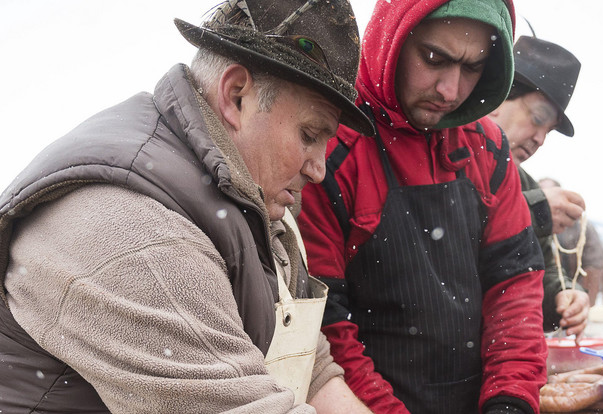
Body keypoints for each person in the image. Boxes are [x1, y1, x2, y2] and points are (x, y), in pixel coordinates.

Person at [0, 1, 377, 412]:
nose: (320, 168)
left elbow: (310, 368)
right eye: (309, 134)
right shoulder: (136, 236)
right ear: (235, 96)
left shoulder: (260, 206)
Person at [297, 0, 547, 413]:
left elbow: (515, 287)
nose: (450, 90)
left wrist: (510, 401)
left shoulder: (488, 146)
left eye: (472, 68)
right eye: (434, 58)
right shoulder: (329, 147)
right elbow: (326, 326)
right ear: (391, 39)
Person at [485, 36, 590, 337]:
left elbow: (537, 270)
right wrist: (533, 211)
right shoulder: (442, 152)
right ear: (496, 98)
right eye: (537, 118)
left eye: (549, 130)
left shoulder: (524, 182)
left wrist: (564, 295)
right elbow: (451, 237)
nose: (540, 139)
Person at [539, 177, 603, 306]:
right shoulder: (528, 225)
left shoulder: (580, 226)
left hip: (570, 293)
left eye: (549, 193)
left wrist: (580, 297)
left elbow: (594, 265)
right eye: (541, 193)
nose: (545, 199)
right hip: (539, 297)